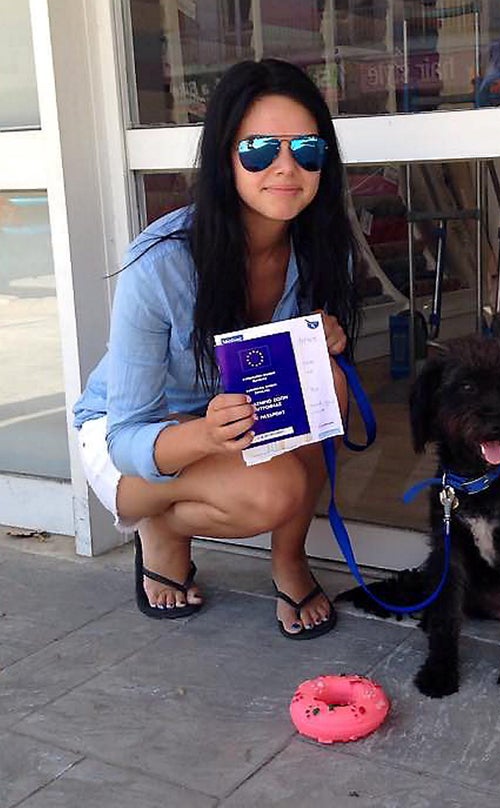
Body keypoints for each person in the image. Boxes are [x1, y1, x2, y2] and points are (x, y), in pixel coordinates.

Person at [73, 58, 360, 639]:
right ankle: (162, 528)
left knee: (331, 391)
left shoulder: (322, 247)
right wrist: (204, 435)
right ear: (224, 156)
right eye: (258, 150)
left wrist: (321, 345)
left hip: (235, 423)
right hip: (134, 433)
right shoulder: (161, 263)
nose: (286, 167)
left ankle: (289, 562)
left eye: (307, 148)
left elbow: (317, 408)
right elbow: (127, 437)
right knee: (275, 490)